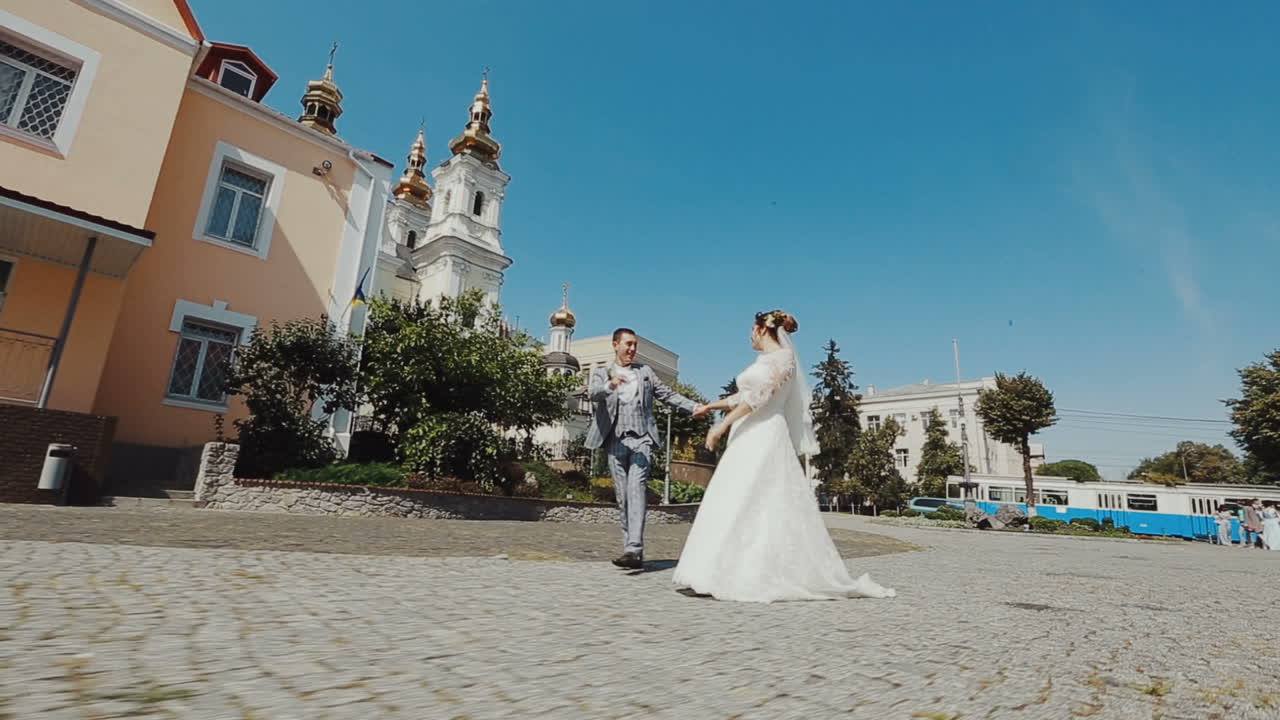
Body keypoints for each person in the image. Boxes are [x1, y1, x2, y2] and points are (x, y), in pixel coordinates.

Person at [672, 310, 895, 603]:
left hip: (764, 434)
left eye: (751, 330)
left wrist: (722, 425)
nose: (749, 336)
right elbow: (743, 397)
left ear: (761, 329)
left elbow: (760, 396)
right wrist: (710, 407)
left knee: (757, 499)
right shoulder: (763, 362)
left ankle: (748, 573)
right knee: (733, 498)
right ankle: (713, 571)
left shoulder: (784, 360)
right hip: (746, 433)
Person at [585, 328, 706, 570]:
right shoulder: (602, 372)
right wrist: (610, 384)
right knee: (623, 496)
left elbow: (667, 394)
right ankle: (630, 547)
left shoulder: (645, 372)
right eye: (628, 344)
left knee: (636, 490)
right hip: (615, 441)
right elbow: (593, 394)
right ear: (615, 344)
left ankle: (634, 549)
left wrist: (694, 407)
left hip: (642, 440)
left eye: (635, 345)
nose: (632, 349)